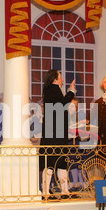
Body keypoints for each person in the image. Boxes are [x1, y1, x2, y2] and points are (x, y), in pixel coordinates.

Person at [40, 69, 76, 199]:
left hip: (56, 132)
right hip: (54, 133)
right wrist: (71, 91)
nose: (62, 80)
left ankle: (64, 191)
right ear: (55, 79)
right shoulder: (52, 89)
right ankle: (46, 192)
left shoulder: (51, 90)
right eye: (60, 77)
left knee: (61, 161)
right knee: (52, 161)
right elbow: (62, 105)